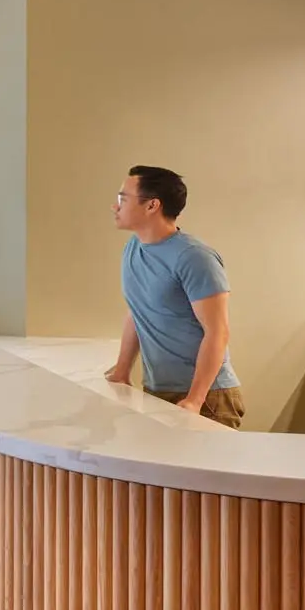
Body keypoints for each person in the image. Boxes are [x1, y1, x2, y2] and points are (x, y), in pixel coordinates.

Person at [106, 165, 244, 429]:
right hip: (157, 391)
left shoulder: (194, 257)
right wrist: (122, 370)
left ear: (152, 206)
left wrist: (195, 400)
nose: (116, 206)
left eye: (123, 199)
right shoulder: (134, 248)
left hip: (207, 398)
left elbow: (217, 332)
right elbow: (138, 312)